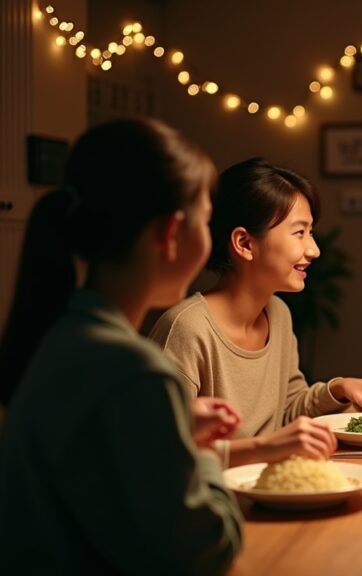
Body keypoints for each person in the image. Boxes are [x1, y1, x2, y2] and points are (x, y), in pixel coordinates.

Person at [0, 119, 242, 573]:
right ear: (170, 233)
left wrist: (171, 423)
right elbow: (207, 548)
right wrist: (202, 454)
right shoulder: (132, 369)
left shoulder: (64, 335)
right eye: (206, 220)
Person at [150, 157, 362, 467]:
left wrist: (339, 388)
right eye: (299, 233)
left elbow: (289, 411)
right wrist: (265, 448)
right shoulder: (187, 328)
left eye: (311, 232)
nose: (314, 250)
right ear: (244, 243)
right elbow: (161, 452)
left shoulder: (277, 312)